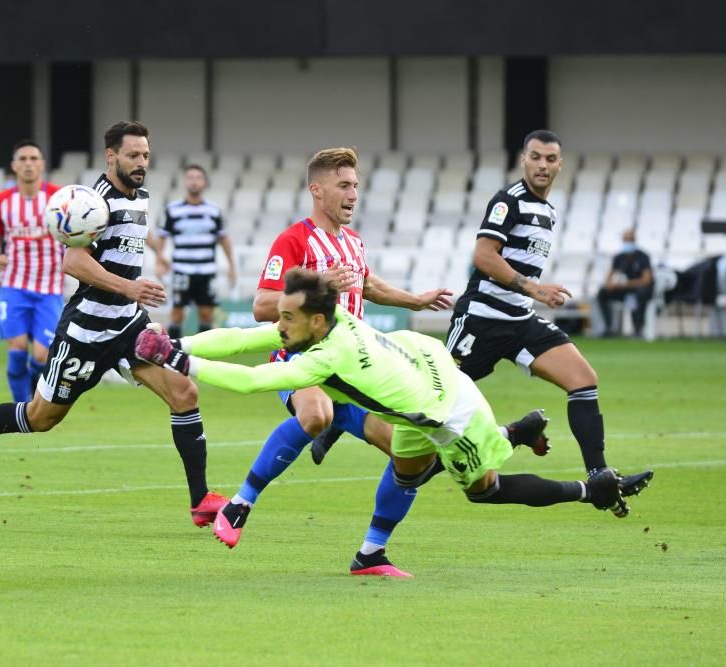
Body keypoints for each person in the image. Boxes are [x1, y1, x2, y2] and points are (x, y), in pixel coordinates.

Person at [134, 269, 642, 574]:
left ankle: (583, 489)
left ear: (313, 321)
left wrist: (181, 362)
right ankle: (370, 556)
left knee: (482, 488)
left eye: (286, 317)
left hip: (449, 411)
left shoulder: (324, 359)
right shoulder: (332, 323)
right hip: (423, 369)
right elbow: (246, 338)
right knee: (404, 466)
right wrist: (178, 344)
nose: (278, 324)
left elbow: (249, 381)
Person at [200, 147, 508, 576]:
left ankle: (371, 553)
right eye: (344, 186)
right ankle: (239, 504)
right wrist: (319, 285)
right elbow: (261, 305)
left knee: (409, 459)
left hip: (357, 372)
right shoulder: (294, 240)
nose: (352, 195)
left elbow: (368, 284)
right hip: (304, 356)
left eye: (356, 187)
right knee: (315, 414)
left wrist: (413, 299)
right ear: (317, 190)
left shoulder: (353, 242)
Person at [0, 121, 227, 527]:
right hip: (86, 331)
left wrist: (137, 307)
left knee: (184, 393)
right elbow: (74, 262)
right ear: (111, 156)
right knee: (41, 418)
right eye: (133, 155)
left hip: (127, 326)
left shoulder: (142, 197)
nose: (141, 163)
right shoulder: (93, 202)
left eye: (146, 155)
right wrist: (131, 288)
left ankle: (200, 500)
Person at [445, 130, 653, 512]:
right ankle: (344, 422)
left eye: (550, 159)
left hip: (520, 321)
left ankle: (600, 480)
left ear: (560, 164)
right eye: (536, 157)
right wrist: (534, 289)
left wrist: (528, 296)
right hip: (482, 321)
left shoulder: (548, 211)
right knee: (434, 406)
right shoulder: (510, 200)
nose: (542, 165)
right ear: (523, 160)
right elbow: (484, 256)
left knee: (584, 380)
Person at [0, 140, 62, 402]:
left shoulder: (58, 197)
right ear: (14, 166)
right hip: (14, 285)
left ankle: (32, 396)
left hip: (50, 289)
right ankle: (21, 408)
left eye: (33, 158)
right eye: (23, 159)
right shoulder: (1, 201)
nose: (28, 164)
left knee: (41, 356)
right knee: (17, 349)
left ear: (41, 164)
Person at [149, 164, 237, 338]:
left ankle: (203, 353)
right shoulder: (173, 210)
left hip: (206, 271)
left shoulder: (213, 211)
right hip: (182, 271)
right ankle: (173, 354)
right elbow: (162, 237)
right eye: (190, 177)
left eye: (198, 178)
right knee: (177, 314)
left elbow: (224, 239)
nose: (194, 181)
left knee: (206, 315)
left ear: (204, 183)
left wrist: (232, 266)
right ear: (185, 182)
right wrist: (159, 261)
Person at [596, 229, 654, 337]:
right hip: (624, 289)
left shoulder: (643, 257)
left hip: (639, 289)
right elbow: (610, 276)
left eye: (630, 240)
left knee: (640, 295)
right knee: (602, 293)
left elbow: (646, 280)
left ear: (634, 241)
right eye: (626, 240)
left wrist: (625, 284)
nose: (628, 243)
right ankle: (609, 328)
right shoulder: (619, 257)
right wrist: (610, 284)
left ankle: (638, 329)